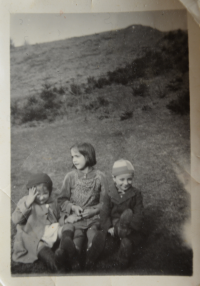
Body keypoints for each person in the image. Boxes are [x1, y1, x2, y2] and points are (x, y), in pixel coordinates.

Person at [56, 142, 108, 271]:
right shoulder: (70, 177)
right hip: (75, 218)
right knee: (75, 233)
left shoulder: (100, 177)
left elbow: (106, 202)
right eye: (72, 157)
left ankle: (92, 253)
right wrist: (72, 208)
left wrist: (94, 211)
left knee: (93, 231)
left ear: (88, 156)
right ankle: (74, 253)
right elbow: (62, 200)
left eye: (77, 156)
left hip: (92, 216)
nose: (74, 160)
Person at [12, 173, 68, 272]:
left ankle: (65, 250)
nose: (41, 197)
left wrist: (63, 220)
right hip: (32, 235)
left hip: (48, 230)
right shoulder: (26, 201)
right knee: (40, 247)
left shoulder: (52, 201)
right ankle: (57, 265)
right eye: (38, 194)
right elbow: (15, 219)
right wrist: (27, 203)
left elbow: (59, 215)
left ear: (50, 192)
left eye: (45, 193)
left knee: (64, 229)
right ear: (30, 192)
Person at [100, 159, 144, 269]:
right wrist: (108, 227)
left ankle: (123, 259)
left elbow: (139, 214)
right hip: (114, 225)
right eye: (122, 179)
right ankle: (117, 233)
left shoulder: (136, 194)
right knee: (106, 244)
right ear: (114, 178)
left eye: (129, 179)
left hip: (129, 225)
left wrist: (132, 227)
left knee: (128, 242)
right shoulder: (109, 193)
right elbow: (104, 212)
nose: (126, 183)